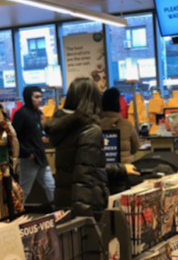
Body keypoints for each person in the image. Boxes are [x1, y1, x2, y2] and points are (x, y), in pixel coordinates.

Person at [44, 78, 137, 218]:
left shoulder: (65, 128)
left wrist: (121, 169)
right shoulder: (90, 130)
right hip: (86, 206)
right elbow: (85, 176)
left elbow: (84, 167)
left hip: (65, 201)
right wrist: (86, 218)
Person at [12, 86, 55, 203]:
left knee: (51, 186)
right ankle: (16, 215)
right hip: (29, 158)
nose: (40, 99)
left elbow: (35, 131)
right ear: (28, 97)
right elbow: (13, 137)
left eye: (41, 97)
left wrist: (42, 136)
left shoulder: (37, 113)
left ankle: (58, 213)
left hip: (40, 156)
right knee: (24, 190)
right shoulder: (21, 114)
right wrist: (26, 153)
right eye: (36, 97)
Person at [101, 88, 141, 164]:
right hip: (125, 167)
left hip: (104, 168)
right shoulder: (127, 124)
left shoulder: (97, 125)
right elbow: (135, 147)